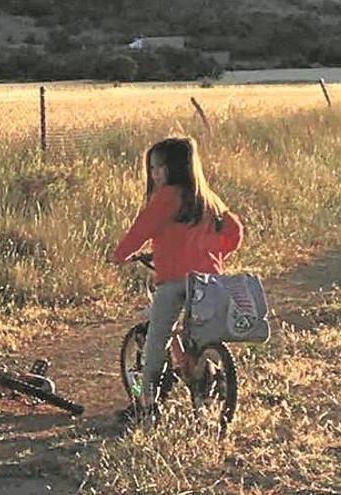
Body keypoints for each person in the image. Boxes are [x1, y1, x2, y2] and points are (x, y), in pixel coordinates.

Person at [110, 136, 242, 420]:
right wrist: (216, 255)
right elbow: (235, 231)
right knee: (198, 334)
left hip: (173, 282)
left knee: (158, 339)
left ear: (175, 169)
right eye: (152, 168)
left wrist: (120, 255)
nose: (154, 174)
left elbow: (140, 229)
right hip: (207, 280)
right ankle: (204, 376)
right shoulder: (208, 198)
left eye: (158, 167)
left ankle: (145, 402)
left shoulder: (167, 197)